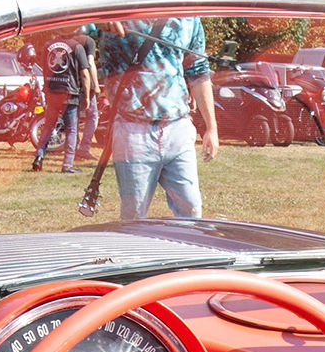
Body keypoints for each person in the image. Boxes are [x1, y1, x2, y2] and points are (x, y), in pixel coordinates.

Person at [98, 18, 219, 220]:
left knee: (191, 210)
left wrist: (211, 128)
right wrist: (98, 19)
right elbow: (66, 28)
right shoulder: (118, 4)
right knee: (134, 215)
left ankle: (184, 251)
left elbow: (199, 72)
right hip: (133, 132)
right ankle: (133, 251)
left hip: (178, 128)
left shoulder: (189, 17)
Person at [31, 33, 90, 173]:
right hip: (69, 92)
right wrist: (87, 96)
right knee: (71, 129)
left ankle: (39, 157)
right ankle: (67, 164)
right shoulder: (77, 47)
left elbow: (45, 69)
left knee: (48, 126)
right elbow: (85, 74)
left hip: (52, 92)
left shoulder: (48, 46)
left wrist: (47, 88)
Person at [75, 30, 101, 162]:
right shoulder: (88, 41)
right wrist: (95, 85)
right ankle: (83, 149)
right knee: (93, 116)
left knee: (73, 117)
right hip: (85, 84)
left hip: (71, 84)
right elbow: (90, 63)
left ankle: (74, 147)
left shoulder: (67, 41)